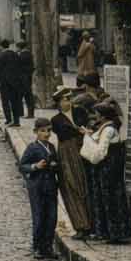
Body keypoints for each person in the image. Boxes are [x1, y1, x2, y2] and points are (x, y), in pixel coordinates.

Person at [83, 100, 131, 244]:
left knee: (109, 199)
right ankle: (109, 232)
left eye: (97, 114)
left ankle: (113, 232)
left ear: (103, 116)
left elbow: (100, 151)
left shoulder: (108, 130)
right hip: (108, 169)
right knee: (108, 199)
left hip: (108, 170)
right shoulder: (105, 127)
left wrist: (88, 138)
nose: (95, 116)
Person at [49, 90, 93, 240]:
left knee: (86, 184)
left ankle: (92, 223)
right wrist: (78, 130)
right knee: (71, 185)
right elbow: (63, 133)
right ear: (58, 103)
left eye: (68, 99)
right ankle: (80, 225)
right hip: (67, 152)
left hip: (85, 149)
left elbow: (88, 124)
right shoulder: (56, 119)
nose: (66, 103)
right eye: (63, 100)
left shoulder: (80, 111)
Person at [18, 117, 60, 259]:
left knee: (52, 217)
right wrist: (35, 166)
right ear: (36, 132)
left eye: (49, 131)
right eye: (43, 131)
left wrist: (55, 166)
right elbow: (22, 165)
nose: (46, 134)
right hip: (37, 186)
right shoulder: (32, 148)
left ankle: (47, 246)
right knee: (39, 216)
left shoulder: (52, 147)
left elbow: (56, 164)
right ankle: (37, 246)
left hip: (50, 186)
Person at [0, 39, 23, 127]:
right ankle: (16, 120)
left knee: (5, 102)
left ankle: (8, 119)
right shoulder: (15, 54)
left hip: (5, 83)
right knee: (15, 101)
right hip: (15, 82)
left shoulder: (1, 56)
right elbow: (19, 68)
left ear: (1, 46)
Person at [17, 40, 36, 118]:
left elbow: (19, 66)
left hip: (23, 78)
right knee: (27, 95)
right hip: (28, 77)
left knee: (24, 96)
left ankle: (23, 113)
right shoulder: (29, 54)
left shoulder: (22, 55)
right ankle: (29, 113)